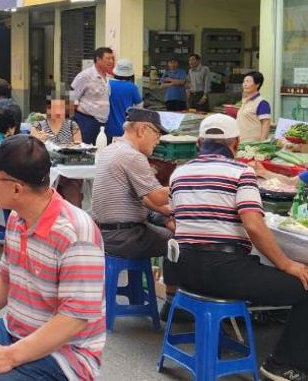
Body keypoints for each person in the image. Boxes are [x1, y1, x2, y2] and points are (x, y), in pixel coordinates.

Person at [0, 135, 105, 381]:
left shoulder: (76, 234)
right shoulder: (17, 217)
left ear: (17, 188)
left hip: (65, 357)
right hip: (15, 331)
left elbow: (73, 319)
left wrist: (9, 356)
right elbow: (5, 278)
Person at [168, 113, 308, 381]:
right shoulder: (241, 173)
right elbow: (254, 227)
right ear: (236, 144)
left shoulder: (179, 173)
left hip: (182, 272)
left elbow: (174, 221)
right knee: (304, 284)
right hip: (222, 273)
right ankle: (281, 364)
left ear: (199, 143)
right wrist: (288, 264)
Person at [91, 108, 173, 262]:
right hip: (124, 237)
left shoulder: (110, 149)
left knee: (164, 220)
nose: (158, 141)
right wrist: (187, 185)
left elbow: (146, 200)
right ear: (142, 130)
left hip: (104, 233)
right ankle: (177, 287)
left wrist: (168, 214)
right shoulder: (132, 156)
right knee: (178, 242)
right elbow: (157, 198)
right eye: (157, 134)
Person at [70, 46, 114, 144]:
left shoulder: (110, 77)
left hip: (104, 122)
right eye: (108, 58)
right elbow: (72, 97)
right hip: (86, 121)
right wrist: (73, 121)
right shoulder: (85, 75)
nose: (111, 61)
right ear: (98, 59)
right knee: (86, 150)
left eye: (112, 58)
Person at [105, 59, 142, 142]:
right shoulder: (132, 87)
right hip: (126, 130)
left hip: (108, 129)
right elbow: (139, 109)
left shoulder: (107, 84)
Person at [239, 70, 271, 143]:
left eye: (248, 81)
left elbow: (266, 124)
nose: (245, 84)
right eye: (244, 81)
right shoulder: (245, 101)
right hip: (242, 143)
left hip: (253, 144)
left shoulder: (262, 102)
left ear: (257, 85)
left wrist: (262, 144)